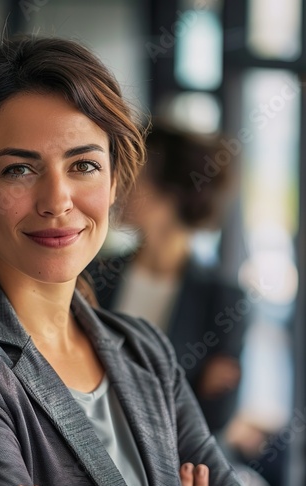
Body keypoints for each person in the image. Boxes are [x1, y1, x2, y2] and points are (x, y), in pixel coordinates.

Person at [0, 36, 254, 486]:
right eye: (18, 170)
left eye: (83, 165)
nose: (57, 201)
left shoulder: (145, 351)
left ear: (114, 180)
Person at [87, 125, 245, 435]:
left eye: (136, 174)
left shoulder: (222, 299)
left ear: (171, 192)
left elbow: (215, 416)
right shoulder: (92, 274)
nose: (118, 185)